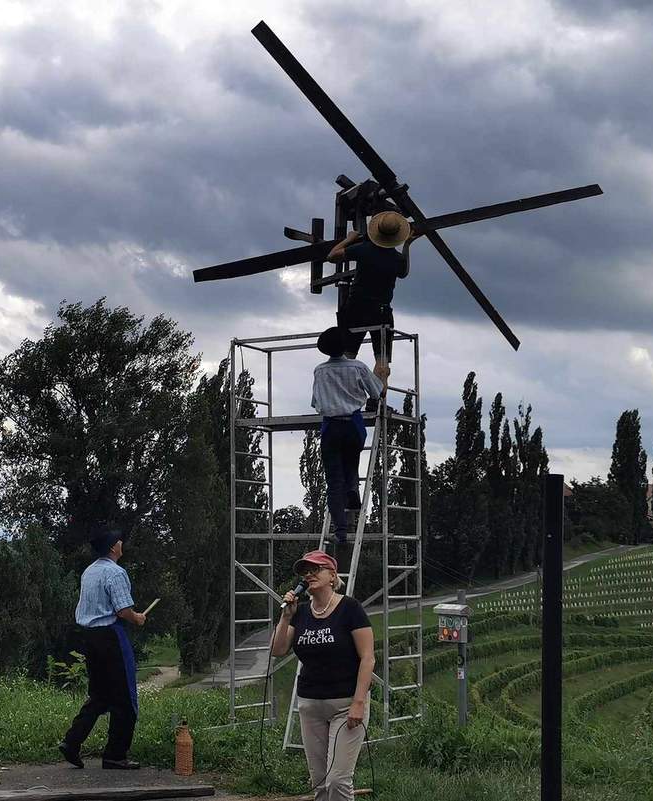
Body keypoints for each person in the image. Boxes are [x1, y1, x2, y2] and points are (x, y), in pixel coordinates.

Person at [271, 551, 375, 801]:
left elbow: (368, 658)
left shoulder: (350, 608)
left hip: (346, 705)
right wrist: (286, 616)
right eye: (305, 571)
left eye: (315, 569)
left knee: (337, 780)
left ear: (332, 576)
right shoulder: (301, 612)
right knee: (319, 782)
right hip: (311, 705)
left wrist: (358, 703)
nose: (309, 575)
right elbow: (277, 650)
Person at [58, 528, 147, 770]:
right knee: (126, 700)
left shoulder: (90, 571)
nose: (122, 543)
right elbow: (122, 611)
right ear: (112, 548)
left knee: (99, 696)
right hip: (110, 636)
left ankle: (71, 742)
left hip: (88, 637)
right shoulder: (115, 572)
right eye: (119, 541)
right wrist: (137, 618)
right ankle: (115, 755)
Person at [311, 326, 384, 547]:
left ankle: (340, 531)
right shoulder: (358, 367)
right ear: (345, 346)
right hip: (353, 423)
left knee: (333, 480)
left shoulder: (319, 371)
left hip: (330, 426)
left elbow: (316, 402)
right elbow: (377, 391)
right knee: (352, 461)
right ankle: (353, 489)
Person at [326, 210, 419, 382]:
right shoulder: (395, 257)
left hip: (356, 308)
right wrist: (407, 245)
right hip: (381, 310)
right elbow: (404, 272)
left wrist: (350, 238)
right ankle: (378, 401)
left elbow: (331, 256)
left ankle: (345, 395)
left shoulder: (363, 249)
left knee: (348, 356)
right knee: (382, 360)